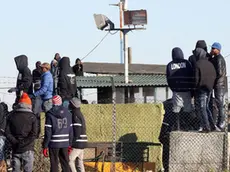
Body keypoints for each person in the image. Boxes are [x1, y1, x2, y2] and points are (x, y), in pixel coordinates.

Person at [5, 93, 37, 172]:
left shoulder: (11, 115)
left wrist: (15, 142)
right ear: (29, 105)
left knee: (15, 169)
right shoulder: (32, 117)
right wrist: (24, 142)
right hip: (28, 148)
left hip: (15, 148)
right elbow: (34, 134)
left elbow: (7, 132)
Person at [43, 95, 73, 172]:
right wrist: (70, 143)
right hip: (65, 142)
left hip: (54, 143)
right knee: (65, 163)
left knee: (54, 164)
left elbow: (48, 131)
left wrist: (45, 145)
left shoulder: (50, 114)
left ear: (53, 103)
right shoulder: (68, 113)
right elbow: (70, 130)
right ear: (61, 102)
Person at [166, 47, 193, 130]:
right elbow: (191, 75)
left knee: (176, 109)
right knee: (187, 108)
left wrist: (173, 88)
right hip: (187, 89)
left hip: (176, 90)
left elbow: (169, 78)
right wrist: (191, 88)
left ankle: (177, 127)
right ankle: (187, 126)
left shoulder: (170, 65)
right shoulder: (187, 63)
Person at [193, 48, 217, 132]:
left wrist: (195, 89)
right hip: (210, 88)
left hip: (202, 89)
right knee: (206, 107)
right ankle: (212, 125)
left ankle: (206, 127)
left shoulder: (197, 64)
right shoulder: (210, 63)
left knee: (202, 108)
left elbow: (196, 79)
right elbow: (214, 75)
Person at [209, 42, 227, 130]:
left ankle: (221, 123)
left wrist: (212, 77)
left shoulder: (219, 59)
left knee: (220, 104)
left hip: (219, 85)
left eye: (213, 48)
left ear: (218, 50)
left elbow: (219, 72)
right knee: (218, 104)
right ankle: (220, 123)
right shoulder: (216, 58)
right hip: (219, 84)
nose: (212, 50)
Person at [69, 98, 88, 172]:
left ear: (73, 105)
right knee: (79, 161)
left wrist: (72, 142)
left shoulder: (75, 114)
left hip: (78, 141)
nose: (69, 104)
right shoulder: (80, 113)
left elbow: (77, 130)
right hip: (83, 140)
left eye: (70, 103)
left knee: (69, 160)